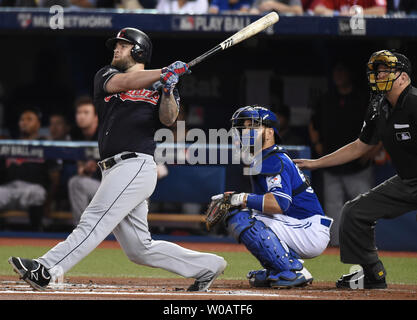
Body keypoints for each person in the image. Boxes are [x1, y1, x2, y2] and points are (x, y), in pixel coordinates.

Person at [8, 27, 227, 292]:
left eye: (123, 45)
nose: (116, 49)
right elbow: (123, 84)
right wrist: (162, 73)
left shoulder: (160, 86)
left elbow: (169, 119)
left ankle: (46, 268)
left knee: (94, 218)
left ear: (138, 51)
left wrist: (168, 89)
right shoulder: (106, 75)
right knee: (139, 249)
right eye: (117, 45)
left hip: (137, 164)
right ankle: (208, 266)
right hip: (114, 169)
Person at [294, 50, 417, 289]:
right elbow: (359, 146)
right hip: (407, 181)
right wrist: (316, 163)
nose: (379, 75)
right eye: (378, 70)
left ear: (403, 77)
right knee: (353, 212)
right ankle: (372, 274)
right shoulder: (377, 107)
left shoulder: (415, 103)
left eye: (386, 70)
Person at [213, 105, 332, 288]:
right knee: (241, 211)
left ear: (269, 134)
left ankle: (292, 269)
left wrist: (242, 198)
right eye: (243, 127)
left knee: (241, 215)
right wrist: (239, 199)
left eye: (252, 127)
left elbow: (279, 204)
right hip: (299, 225)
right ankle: (278, 268)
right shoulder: (263, 158)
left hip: (308, 228)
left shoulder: (273, 159)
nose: (245, 132)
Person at [308, 62, 377, 246]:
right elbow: (313, 124)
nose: (338, 75)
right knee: (333, 210)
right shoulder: (326, 98)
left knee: (363, 207)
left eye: (341, 70)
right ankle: (336, 248)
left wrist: (372, 151)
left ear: (349, 74)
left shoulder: (363, 99)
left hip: (359, 166)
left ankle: (365, 245)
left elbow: (380, 128)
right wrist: (317, 145)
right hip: (332, 165)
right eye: (335, 71)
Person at [0, 107, 59, 231]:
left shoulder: (45, 145)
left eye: (29, 119)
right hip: (9, 188)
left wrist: (49, 202)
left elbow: (55, 176)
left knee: (37, 192)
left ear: (38, 124)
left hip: (32, 188)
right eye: (22, 119)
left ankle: (36, 231)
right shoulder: (10, 145)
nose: (24, 122)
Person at [67, 96, 101, 226]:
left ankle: (83, 231)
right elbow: (79, 165)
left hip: (114, 185)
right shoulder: (75, 134)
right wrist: (83, 167)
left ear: (96, 117)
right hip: (95, 185)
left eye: (86, 112)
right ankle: (82, 229)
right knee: (76, 182)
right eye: (79, 113)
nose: (81, 116)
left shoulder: (105, 133)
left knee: (76, 183)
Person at [313, 0, 387, 16]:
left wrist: (356, 13)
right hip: (337, 39)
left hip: (368, 37)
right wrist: (338, 14)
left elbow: (381, 10)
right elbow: (318, 10)